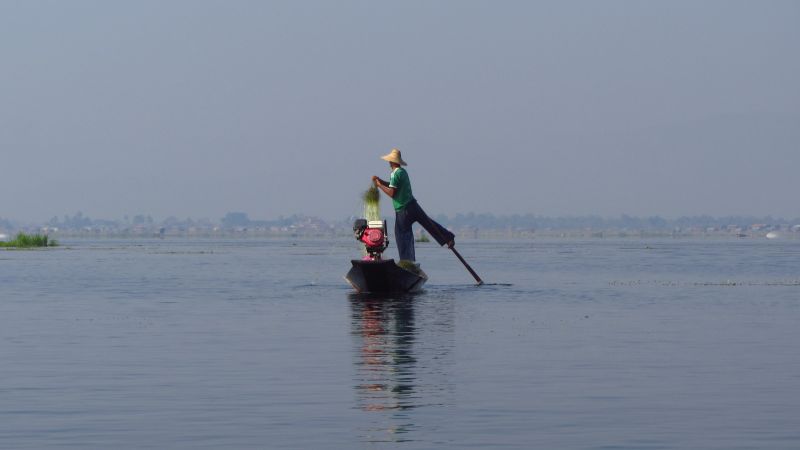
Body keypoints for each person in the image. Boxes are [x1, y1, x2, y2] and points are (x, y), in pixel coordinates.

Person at [372, 148, 455, 262]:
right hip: (413, 205)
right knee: (428, 223)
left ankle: (408, 262)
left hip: (403, 210)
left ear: (391, 162)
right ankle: (448, 238)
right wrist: (380, 181)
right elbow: (392, 185)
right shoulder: (402, 172)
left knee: (402, 234)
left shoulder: (395, 174)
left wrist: (379, 186)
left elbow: (392, 192)